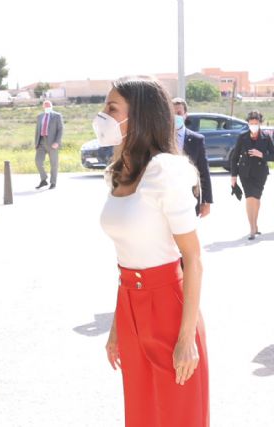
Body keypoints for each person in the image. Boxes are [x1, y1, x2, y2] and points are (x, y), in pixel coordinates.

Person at [98, 77, 209, 426]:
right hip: (129, 305)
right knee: (142, 415)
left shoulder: (166, 172)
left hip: (169, 310)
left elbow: (193, 259)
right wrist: (116, 327)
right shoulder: (118, 173)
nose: (103, 115)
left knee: (179, 416)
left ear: (140, 115)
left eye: (112, 108)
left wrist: (186, 338)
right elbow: (126, 257)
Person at [229, 110, 274, 240]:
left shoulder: (266, 137)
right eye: (251, 123)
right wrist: (233, 176)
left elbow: (273, 155)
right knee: (249, 198)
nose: (253, 125)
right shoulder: (242, 137)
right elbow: (234, 158)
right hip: (245, 173)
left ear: (260, 123)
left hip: (260, 173)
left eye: (256, 123)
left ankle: (255, 223)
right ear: (248, 123)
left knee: (256, 198)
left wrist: (262, 155)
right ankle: (252, 228)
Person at [172, 97, 213, 217]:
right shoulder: (161, 139)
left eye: (179, 113)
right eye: (172, 113)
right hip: (168, 196)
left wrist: (206, 201)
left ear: (185, 115)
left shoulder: (197, 140)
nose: (175, 116)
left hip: (190, 196)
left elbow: (203, 171)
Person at [34, 100, 63, 189]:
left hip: (52, 143)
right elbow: (37, 130)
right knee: (38, 161)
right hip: (41, 142)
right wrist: (36, 143)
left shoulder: (57, 116)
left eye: (48, 105)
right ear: (43, 107)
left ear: (51, 106)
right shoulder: (40, 116)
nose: (47, 107)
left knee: (54, 164)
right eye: (45, 105)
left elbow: (60, 129)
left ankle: (53, 182)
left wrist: (57, 142)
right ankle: (44, 179)